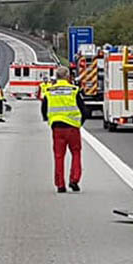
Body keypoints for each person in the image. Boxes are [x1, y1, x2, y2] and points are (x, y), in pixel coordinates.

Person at [46, 65, 86, 193]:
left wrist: (50, 121)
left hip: (57, 128)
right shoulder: (74, 90)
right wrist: (79, 122)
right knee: (76, 153)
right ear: (68, 77)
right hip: (73, 127)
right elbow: (84, 110)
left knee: (59, 157)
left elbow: (44, 108)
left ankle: (60, 185)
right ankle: (74, 180)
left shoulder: (50, 91)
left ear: (56, 77)